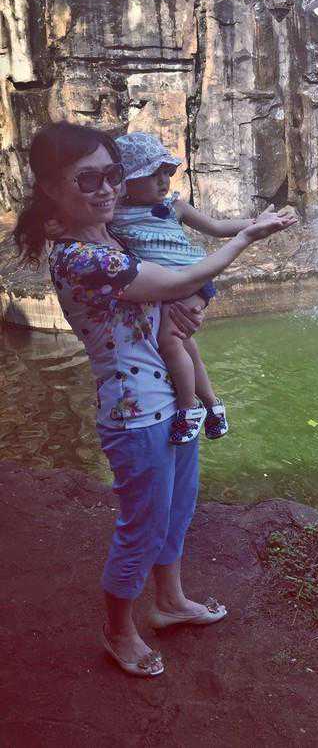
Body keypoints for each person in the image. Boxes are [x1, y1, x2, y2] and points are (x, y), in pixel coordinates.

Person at [14, 120, 297, 677]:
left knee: (178, 510)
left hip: (172, 398)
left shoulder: (113, 235)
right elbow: (170, 283)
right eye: (87, 179)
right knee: (141, 526)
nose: (106, 189)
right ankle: (119, 631)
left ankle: (169, 602)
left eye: (112, 175)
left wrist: (183, 314)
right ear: (50, 187)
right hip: (134, 411)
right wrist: (243, 239)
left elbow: (163, 299)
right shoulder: (81, 257)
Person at [110, 132, 279, 445]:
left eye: (167, 172)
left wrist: (257, 223)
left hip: (194, 280)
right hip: (162, 287)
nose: (163, 181)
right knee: (185, 344)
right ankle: (214, 406)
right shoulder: (114, 214)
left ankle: (189, 408)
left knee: (170, 339)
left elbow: (217, 227)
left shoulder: (174, 206)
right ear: (125, 181)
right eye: (153, 174)